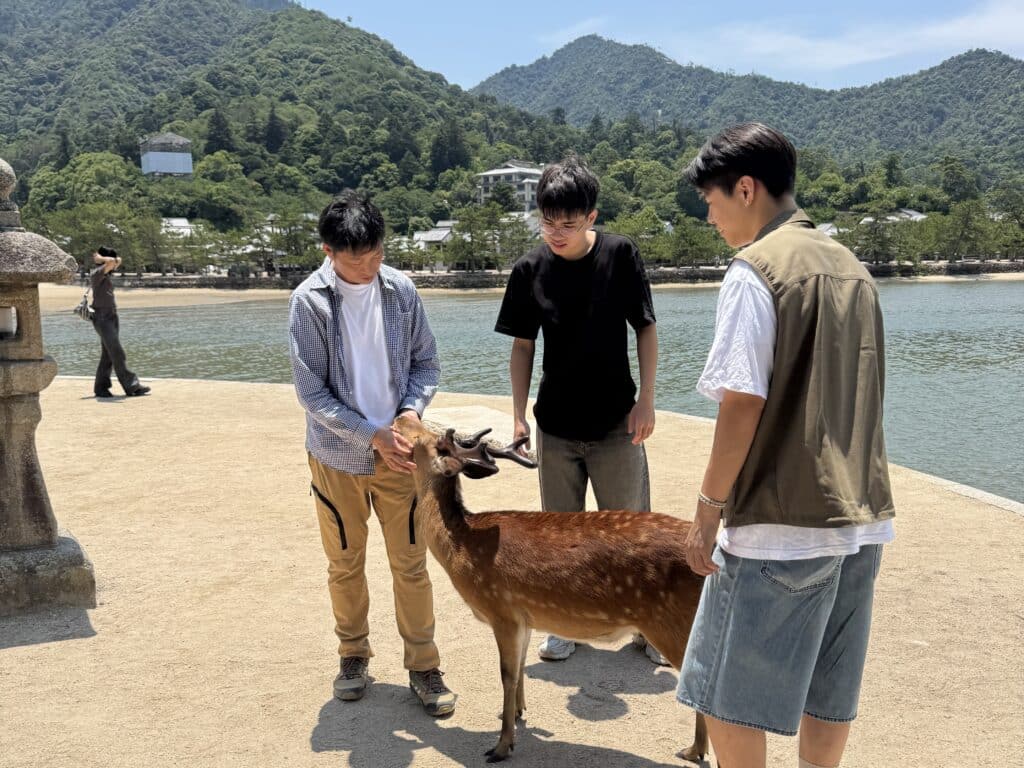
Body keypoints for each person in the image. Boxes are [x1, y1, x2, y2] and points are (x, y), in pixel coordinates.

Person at [676, 123, 895, 768]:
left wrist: (706, 512)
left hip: (780, 522)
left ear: (746, 188)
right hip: (860, 519)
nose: (710, 217)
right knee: (827, 693)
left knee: (722, 698)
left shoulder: (755, 271)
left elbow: (742, 405)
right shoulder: (852, 267)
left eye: (712, 202)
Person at [288, 191, 456, 716]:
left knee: (411, 565)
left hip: (400, 457)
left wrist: (407, 415)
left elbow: (426, 364)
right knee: (344, 564)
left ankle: (424, 666)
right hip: (336, 459)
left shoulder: (402, 291)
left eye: (376, 255)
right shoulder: (308, 301)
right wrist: (370, 434)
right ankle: (353, 654)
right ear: (328, 251)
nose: (367, 268)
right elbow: (311, 393)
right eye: (354, 260)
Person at [494, 154, 667, 665]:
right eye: (548, 222)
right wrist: (519, 415)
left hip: (617, 421)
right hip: (558, 426)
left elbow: (646, 328)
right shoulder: (529, 269)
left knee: (631, 533)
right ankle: (564, 625)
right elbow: (523, 346)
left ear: (592, 216)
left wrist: (647, 401)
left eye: (567, 223)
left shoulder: (620, 255)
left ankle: (649, 627)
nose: (556, 232)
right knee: (560, 536)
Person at [89, 246, 150, 398]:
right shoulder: (97, 274)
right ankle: (132, 386)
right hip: (102, 318)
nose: (114, 263)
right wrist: (101, 259)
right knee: (117, 352)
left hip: (111, 317)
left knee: (108, 355)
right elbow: (111, 262)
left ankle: (101, 388)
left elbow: (117, 261)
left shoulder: (105, 274)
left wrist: (105, 259)